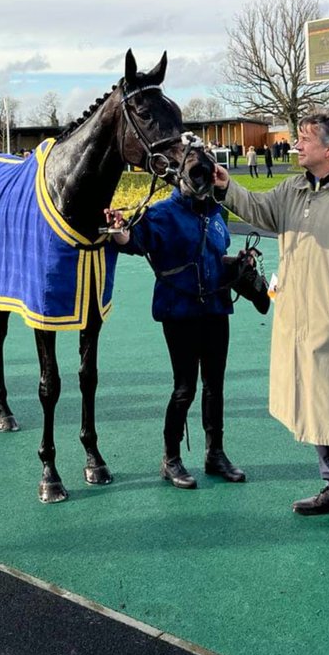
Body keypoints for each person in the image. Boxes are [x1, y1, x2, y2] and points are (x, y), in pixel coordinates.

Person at [212, 110, 329, 545]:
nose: (296, 145)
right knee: (315, 406)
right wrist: (225, 185)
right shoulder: (292, 189)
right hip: (296, 324)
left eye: (305, 140)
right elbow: (258, 209)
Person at [105, 177, 245, 490]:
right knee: (185, 388)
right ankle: (171, 458)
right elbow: (133, 242)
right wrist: (119, 229)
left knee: (215, 385)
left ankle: (215, 454)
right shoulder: (162, 213)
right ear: (178, 177)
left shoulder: (216, 212)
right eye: (193, 175)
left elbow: (218, 253)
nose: (200, 182)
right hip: (179, 312)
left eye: (205, 175)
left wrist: (239, 266)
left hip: (216, 309)